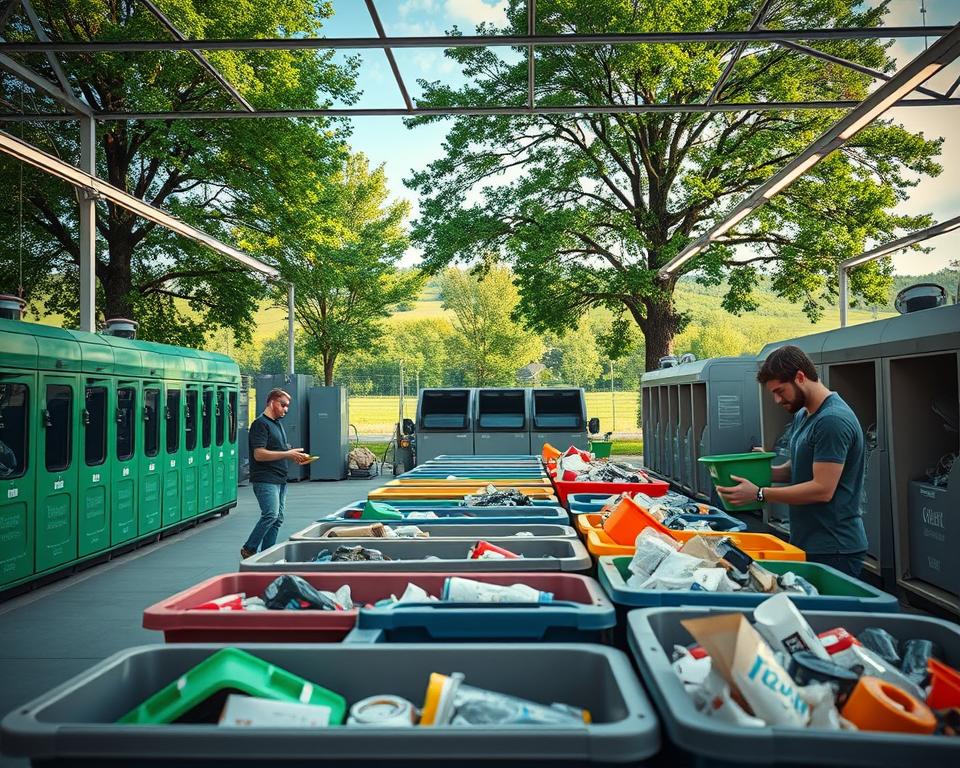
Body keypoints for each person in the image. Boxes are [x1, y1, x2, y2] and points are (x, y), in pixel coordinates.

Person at [716, 345, 868, 577]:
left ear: (800, 377)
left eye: (780, 391)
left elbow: (822, 489)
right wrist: (758, 471)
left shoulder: (832, 421)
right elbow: (796, 469)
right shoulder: (803, 414)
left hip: (835, 548)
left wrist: (759, 493)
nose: (777, 400)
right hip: (808, 541)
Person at [241, 388, 310, 559]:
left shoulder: (277, 424)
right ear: (272, 403)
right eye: (283, 405)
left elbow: (277, 450)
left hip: (279, 478)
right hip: (265, 479)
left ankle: (266, 554)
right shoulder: (260, 424)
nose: (286, 409)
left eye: (287, 406)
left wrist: (294, 455)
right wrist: (288, 454)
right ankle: (249, 548)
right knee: (270, 514)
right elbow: (259, 454)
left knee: (277, 518)